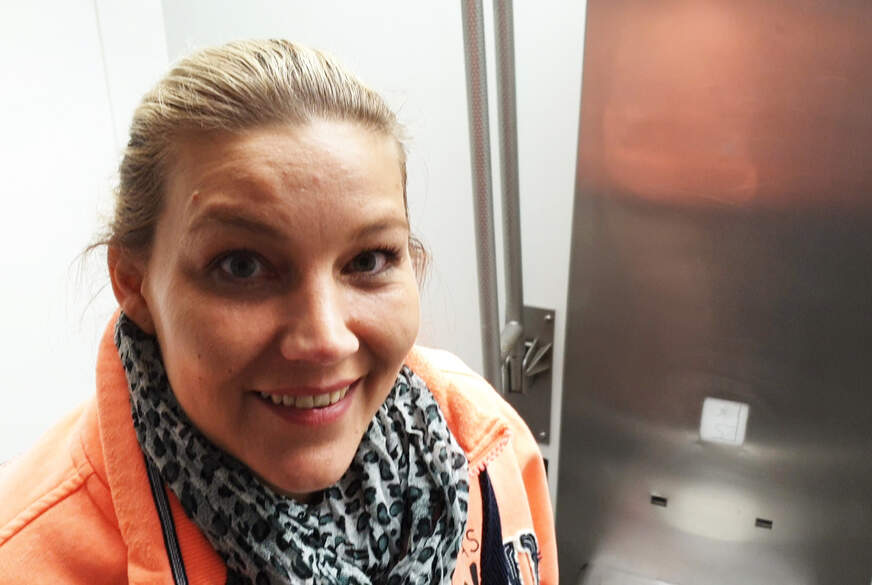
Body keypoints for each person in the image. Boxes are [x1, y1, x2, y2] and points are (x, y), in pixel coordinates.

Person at [0, 40, 556, 585]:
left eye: (367, 260)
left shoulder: (485, 444)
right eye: (242, 266)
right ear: (133, 283)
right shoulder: (25, 559)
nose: (326, 340)